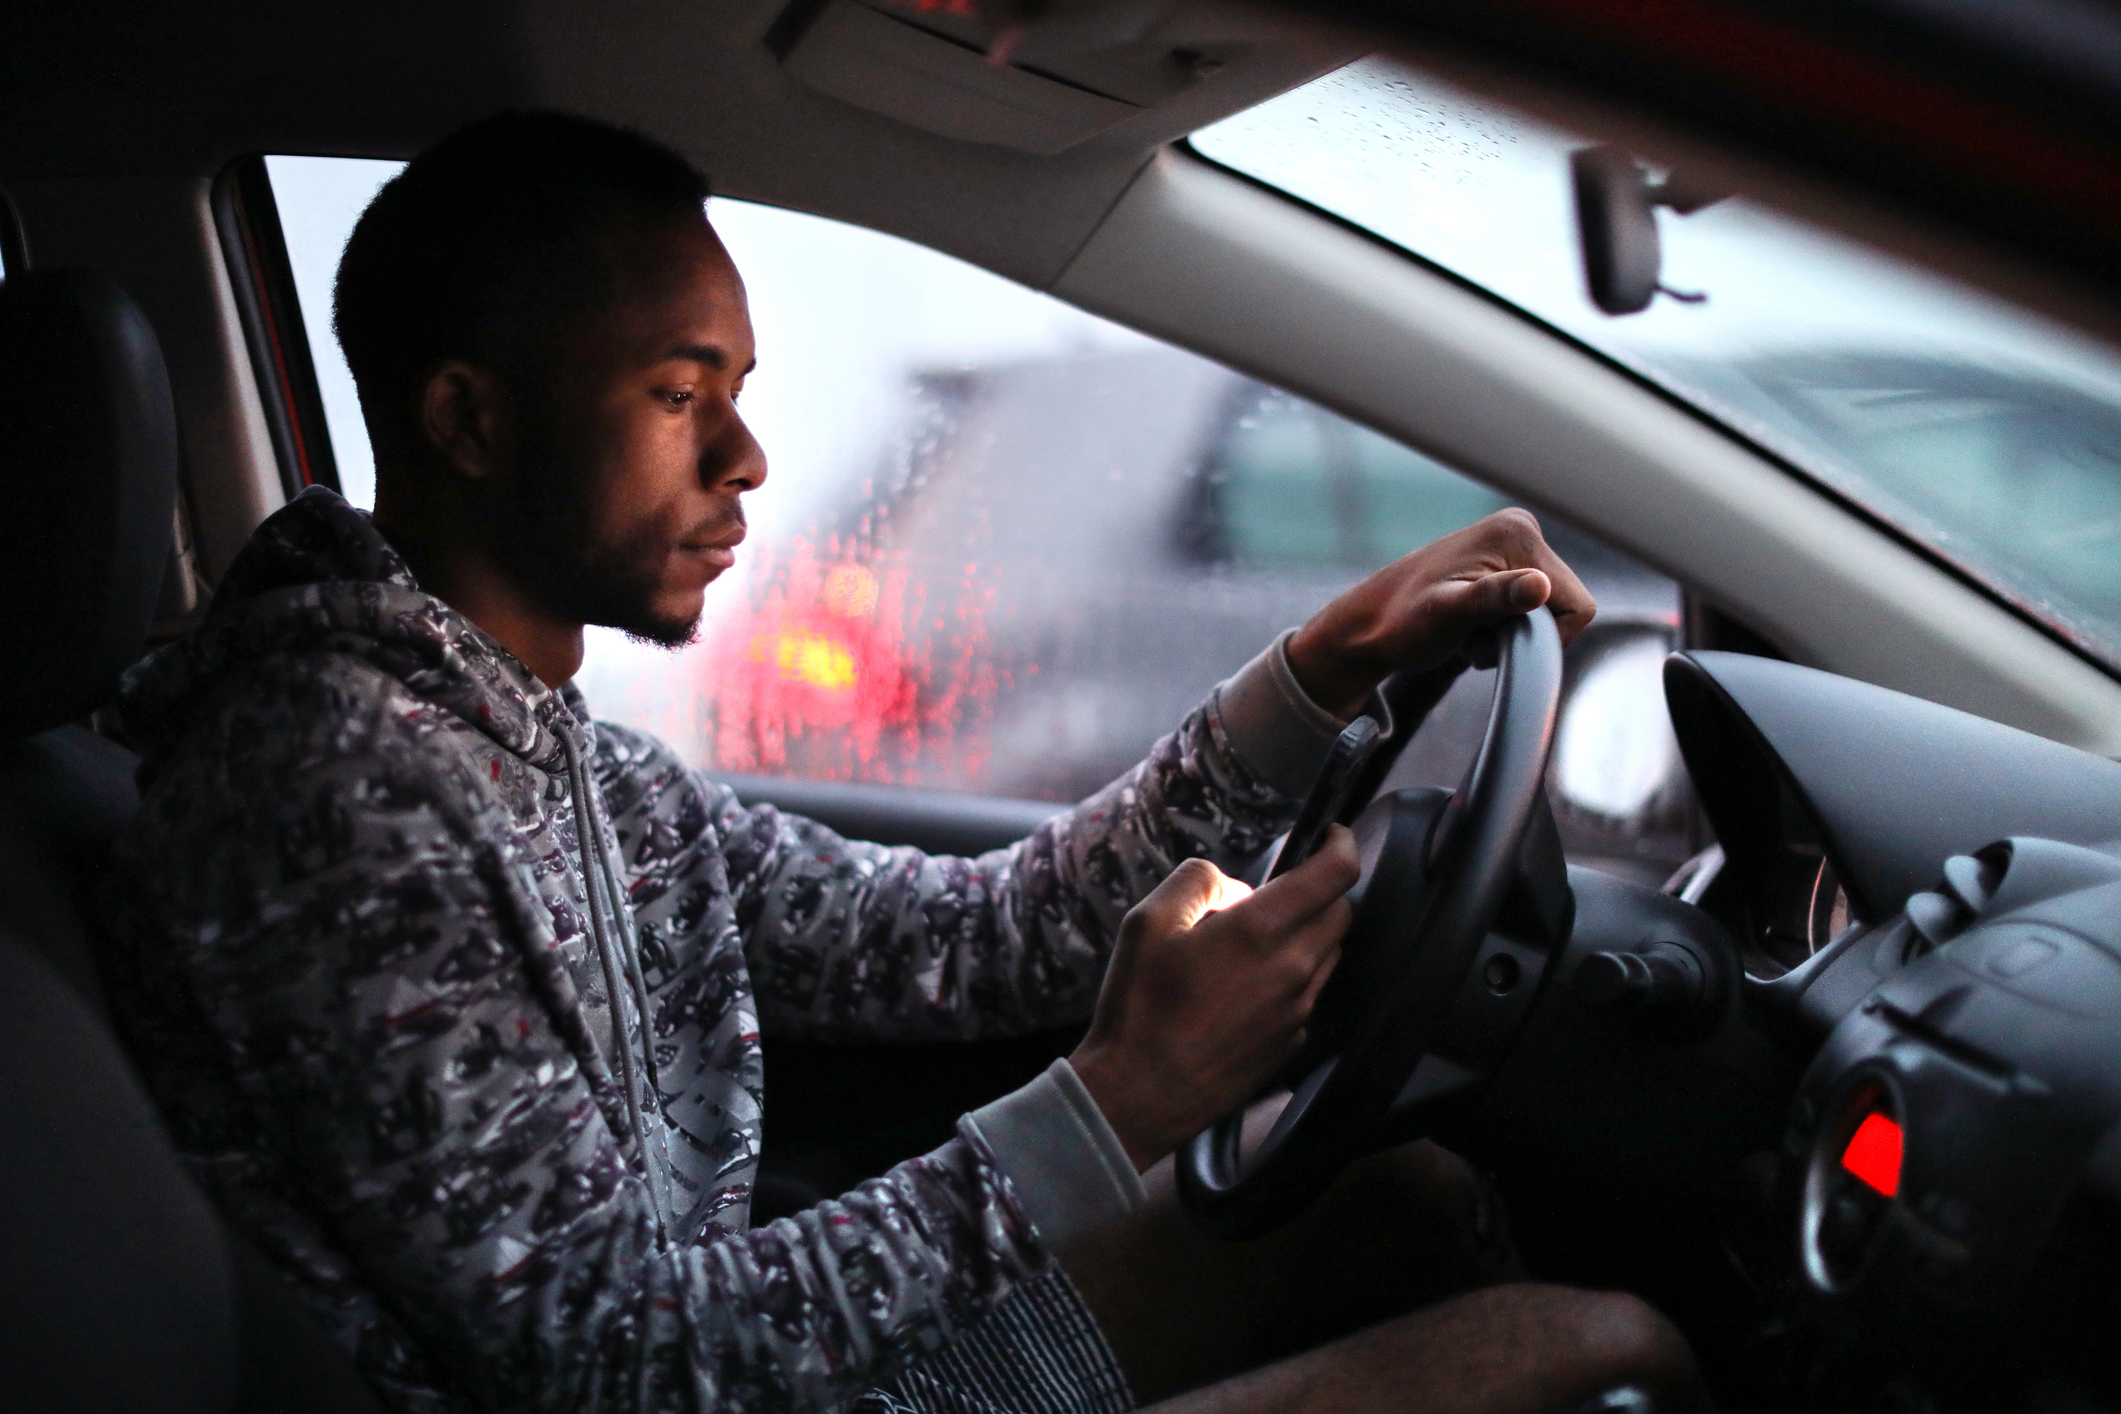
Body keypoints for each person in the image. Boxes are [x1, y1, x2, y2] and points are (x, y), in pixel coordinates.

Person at [104, 112, 1704, 1414]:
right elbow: (604, 1368)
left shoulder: (550, 745)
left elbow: (957, 941)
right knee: (1598, 1354)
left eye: (734, 392)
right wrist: (1117, 1100)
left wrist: (1316, 670)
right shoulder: (331, 782)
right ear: (468, 421)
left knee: (1408, 1196)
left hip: (771, 1364)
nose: (745, 459)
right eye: (677, 395)